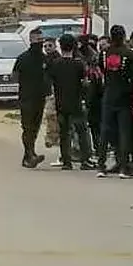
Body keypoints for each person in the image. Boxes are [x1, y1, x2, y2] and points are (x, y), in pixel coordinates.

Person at [96, 26, 133, 178]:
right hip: (124, 96)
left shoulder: (104, 53)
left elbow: (101, 69)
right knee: (124, 132)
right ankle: (123, 167)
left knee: (105, 131)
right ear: (124, 36)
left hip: (108, 94)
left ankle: (101, 165)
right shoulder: (129, 54)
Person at [47, 33, 92, 170]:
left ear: (60, 46)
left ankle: (66, 161)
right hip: (76, 102)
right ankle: (85, 160)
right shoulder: (79, 64)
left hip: (61, 102)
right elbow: (85, 83)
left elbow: (50, 82)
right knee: (82, 132)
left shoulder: (55, 64)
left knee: (64, 132)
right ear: (73, 46)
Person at [12, 27, 50, 168]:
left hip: (40, 98)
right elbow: (14, 76)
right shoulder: (23, 58)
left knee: (35, 127)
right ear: (31, 40)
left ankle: (28, 156)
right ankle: (30, 154)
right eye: (37, 40)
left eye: (41, 40)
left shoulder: (44, 58)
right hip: (26, 97)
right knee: (27, 127)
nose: (40, 43)